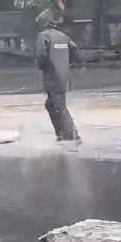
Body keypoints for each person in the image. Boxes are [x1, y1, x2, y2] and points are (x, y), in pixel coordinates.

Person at [35, 9, 82, 144]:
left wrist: (42, 66)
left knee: (59, 106)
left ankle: (72, 134)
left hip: (51, 76)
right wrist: (65, 63)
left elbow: (41, 56)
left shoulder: (43, 36)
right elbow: (75, 52)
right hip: (64, 76)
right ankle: (61, 133)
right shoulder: (63, 36)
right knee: (51, 104)